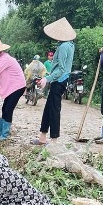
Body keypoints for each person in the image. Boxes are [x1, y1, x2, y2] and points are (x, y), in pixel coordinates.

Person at [32, 18, 76, 146]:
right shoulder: (69, 44)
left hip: (59, 81)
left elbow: (62, 69)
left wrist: (47, 78)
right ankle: (43, 136)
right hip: (59, 80)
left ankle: (54, 140)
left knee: (54, 109)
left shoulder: (63, 47)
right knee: (48, 108)